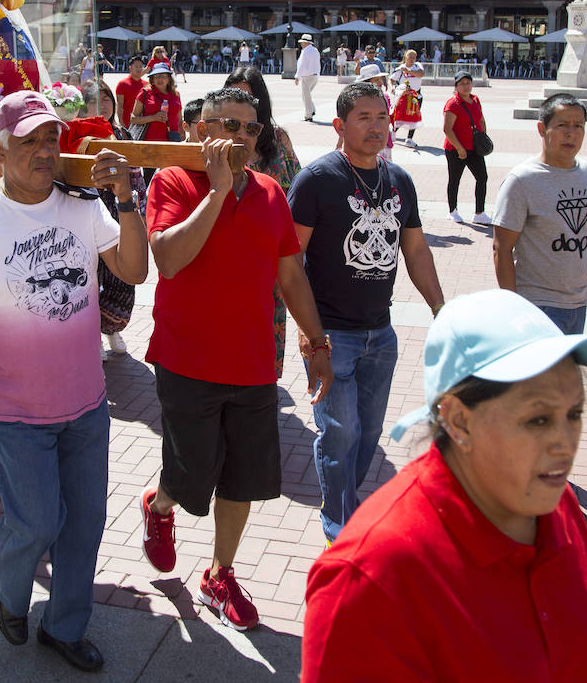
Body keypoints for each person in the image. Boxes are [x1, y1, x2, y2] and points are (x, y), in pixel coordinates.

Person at [302, 289, 587, 682]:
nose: (566, 444)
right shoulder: (370, 581)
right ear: (459, 420)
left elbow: (565, 620)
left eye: (574, 414)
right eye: (538, 419)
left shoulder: (554, 506)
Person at [0, 91, 147, 672]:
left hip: (86, 406)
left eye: (50, 138)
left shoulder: (83, 208)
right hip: (13, 411)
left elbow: (133, 269)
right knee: (35, 521)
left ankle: (65, 626)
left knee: (84, 524)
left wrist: (126, 198)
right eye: (27, 140)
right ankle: (10, 592)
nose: (42, 151)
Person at [138, 87, 333, 631]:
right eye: (228, 124)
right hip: (186, 359)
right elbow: (169, 260)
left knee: (242, 479)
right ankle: (160, 505)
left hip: (252, 364)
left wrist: (317, 345)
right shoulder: (173, 181)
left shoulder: (271, 191)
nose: (241, 136)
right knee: (191, 473)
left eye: (251, 128)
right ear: (201, 130)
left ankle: (220, 574)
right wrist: (218, 192)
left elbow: (290, 276)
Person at [290, 81, 444, 543]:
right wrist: (307, 330)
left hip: (381, 333)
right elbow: (290, 260)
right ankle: (341, 528)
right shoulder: (317, 180)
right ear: (339, 125)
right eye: (365, 118)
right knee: (339, 432)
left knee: (367, 432)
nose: (378, 127)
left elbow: (415, 251)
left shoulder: (399, 181)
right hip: (331, 334)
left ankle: (345, 503)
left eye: (382, 117)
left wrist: (441, 307)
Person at [492, 94, 587, 335]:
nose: (571, 133)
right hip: (536, 306)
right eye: (562, 125)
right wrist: (513, 308)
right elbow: (501, 249)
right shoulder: (522, 181)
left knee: (566, 372)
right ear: (541, 128)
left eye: (578, 126)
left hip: (578, 304)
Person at [226, 65, 302, 374]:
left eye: (250, 97)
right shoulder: (217, 142)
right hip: (229, 248)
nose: (243, 103)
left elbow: (298, 185)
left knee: (268, 316)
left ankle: (264, 377)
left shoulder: (277, 138)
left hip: (270, 251)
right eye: (235, 96)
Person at [82, 76, 148, 357]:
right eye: (96, 101)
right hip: (91, 211)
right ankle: (92, 336)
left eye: (106, 99)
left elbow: (137, 176)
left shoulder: (123, 134)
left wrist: (139, 207)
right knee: (92, 275)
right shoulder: (81, 136)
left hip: (121, 211)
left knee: (122, 275)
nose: (103, 105)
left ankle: (113, 329)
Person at [442, 71, 489, 225]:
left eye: (468, 83)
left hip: (474, 148)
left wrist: (483, 138)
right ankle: (452, 211)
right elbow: (447, 129)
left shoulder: (475, 100)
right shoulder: (453, 104)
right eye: (462, 83)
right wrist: (460, 148)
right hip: (456, 149)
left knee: (482, 177)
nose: (466, 86)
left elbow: (481, 120)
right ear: (456, 86)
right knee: (455, 179)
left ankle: (479, 213)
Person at [128, 62, 182, 148]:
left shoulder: (176, 95)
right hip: (150, 144)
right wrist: (153, 117)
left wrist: (182, 138)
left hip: (172, 141)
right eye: (157, 76)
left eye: (163, 76)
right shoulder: (145, 93)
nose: (160, 79)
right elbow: (133, 119)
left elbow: (179, 120)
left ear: (168, 78)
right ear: (152, 79)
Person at [391, 49, 425, 147]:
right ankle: (393, 131)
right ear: (405, 57)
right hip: (404, 96)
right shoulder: (400, 68)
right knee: (401, 115)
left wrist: (409, 71)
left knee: (414, 117)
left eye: (414, 57)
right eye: (410, 57)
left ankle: (409, 138)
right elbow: (392, 79)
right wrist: (393, 87)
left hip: (416, 96)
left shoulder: (417, 66)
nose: (412, 59)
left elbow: (421, 74)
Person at [114, 55, 145, 129]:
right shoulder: (122, 84)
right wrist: (121, 124)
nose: (139, 69)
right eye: (136, 66)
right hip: (128, 123)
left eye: (141, 66)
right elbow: (120, 105)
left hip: (144, 124)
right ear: (130, 68)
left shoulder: (147, 85)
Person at [296, 33, 322, 122]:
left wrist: (297, 76)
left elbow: (301, 65)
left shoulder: (305, 51)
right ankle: (312, 109)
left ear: (306, 43)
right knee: (307, 95)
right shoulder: (315, 50)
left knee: (305, 96)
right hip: (315, 75)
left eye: (302, 42)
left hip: (307, 76)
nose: (301, 44)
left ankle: (308, 115)